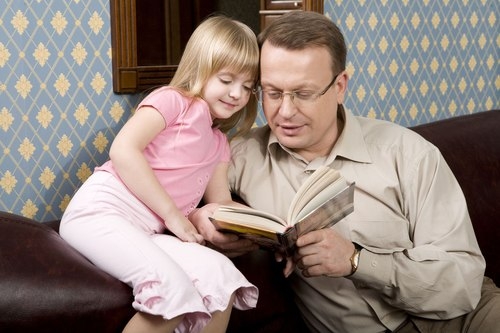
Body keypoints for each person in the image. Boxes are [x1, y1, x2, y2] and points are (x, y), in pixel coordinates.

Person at [190, 11, 500, 333]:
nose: (284, 111)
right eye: (271, 92)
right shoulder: (239, 156)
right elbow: (163, 195)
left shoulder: (409, 154)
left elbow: (463, 285)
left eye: (303, 94)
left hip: (468, 319)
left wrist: (357, 261)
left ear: (340, 86)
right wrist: (199, 218)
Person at [60, 15, 260, 333]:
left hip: (148, 232)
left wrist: (263, 227)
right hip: (101, 213)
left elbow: (218, 206)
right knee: (171, 289)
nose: (237, 93)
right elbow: (123, 150)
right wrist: (174, 217)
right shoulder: (172, 101)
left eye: (247, 86)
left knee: (220, 280)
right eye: (226, 80)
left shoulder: (220, 143)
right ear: (201, 70)